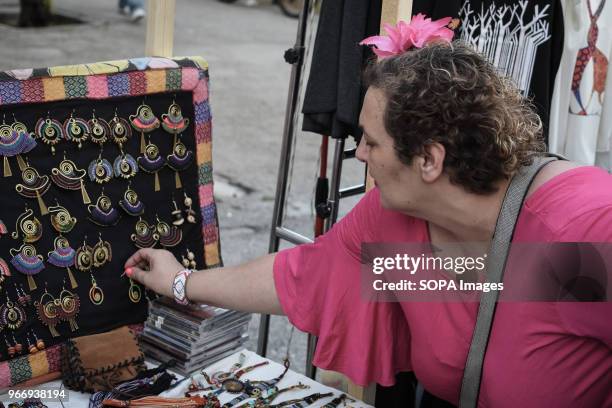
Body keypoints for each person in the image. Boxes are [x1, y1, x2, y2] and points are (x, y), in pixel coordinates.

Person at [124, 39, 612, 407]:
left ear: (429, 159)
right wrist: (182, 282)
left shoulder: (581, 232)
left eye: (371, 142)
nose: (360, 153)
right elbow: (304, 274)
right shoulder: (397, 217)